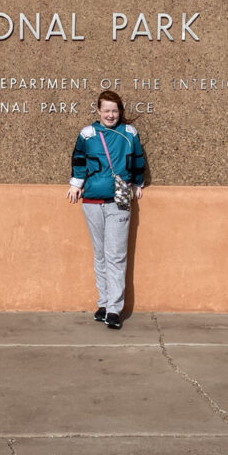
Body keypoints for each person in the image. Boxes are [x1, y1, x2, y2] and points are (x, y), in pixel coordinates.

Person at [66, 90, 146, 329]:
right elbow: (78, 160)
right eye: (106, 110)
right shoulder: (87, 134)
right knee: (100, 254)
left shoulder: (129, 133)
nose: (110, 115)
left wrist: (137, 183)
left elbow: (138, 160)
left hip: (119, 196)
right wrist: (75, 184)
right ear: (98, 111)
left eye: (114, 110)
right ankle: (102, 303)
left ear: (119, 111)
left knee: (116, 255)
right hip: (91, 198)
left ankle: (114, 309)